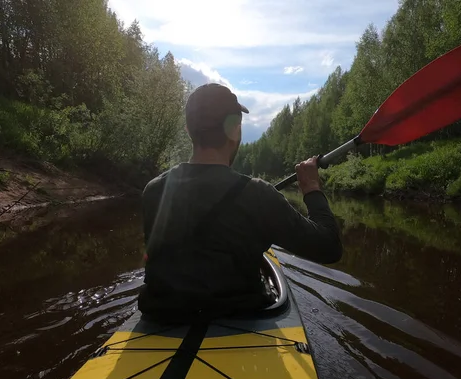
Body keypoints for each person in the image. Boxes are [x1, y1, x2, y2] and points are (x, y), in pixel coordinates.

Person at [138, 83, 342, 319]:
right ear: (235, 130)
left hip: (162, 315)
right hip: (241, 315)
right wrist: (312, 189)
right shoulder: (258, 194)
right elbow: (329, 248)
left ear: (188, 130)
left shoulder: (154, 191)